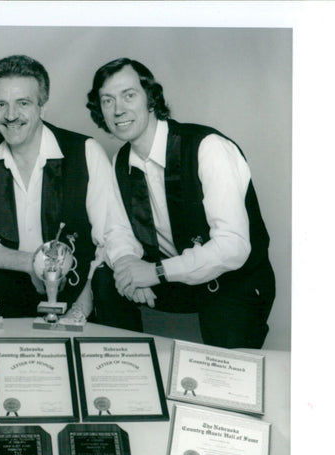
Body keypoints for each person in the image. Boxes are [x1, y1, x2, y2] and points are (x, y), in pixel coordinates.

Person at [87, 58, 275, 348]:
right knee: (105, 278)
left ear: (151, 98)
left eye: (129, 95)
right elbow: (117, 230)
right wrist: (128, 267)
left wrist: (153, 273)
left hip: (232, 282)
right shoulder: (120, 162)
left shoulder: (207, 147)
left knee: (225, 375)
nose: (118, 109)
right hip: (174, 281)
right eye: (107, 100)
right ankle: (123, 374)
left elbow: (233, 247)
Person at [0, 55, 118, 318]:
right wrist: (32, 264)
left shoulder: (85, 151)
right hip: (1, 293)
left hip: (73, 289)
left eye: (23, 103)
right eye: (0, 104)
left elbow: (110, 239)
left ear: (43, 107)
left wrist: (84, 300)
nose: (10, 116)